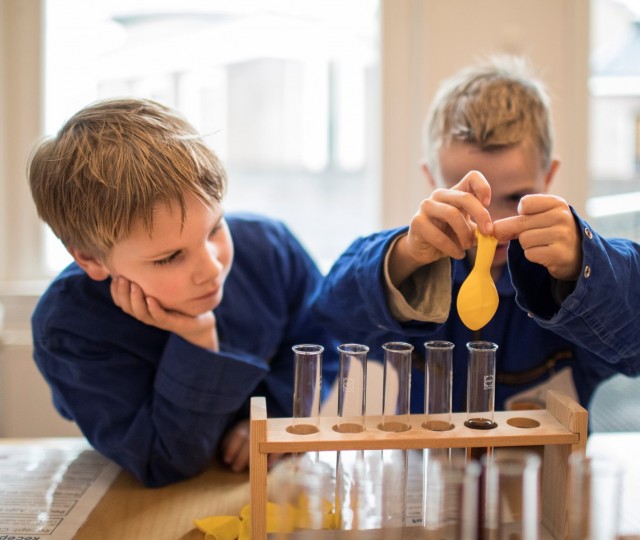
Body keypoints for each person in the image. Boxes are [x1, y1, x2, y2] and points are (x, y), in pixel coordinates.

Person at [28, 98, 338, 487]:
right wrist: (196, 340)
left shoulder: (270, 247)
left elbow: (319, 343)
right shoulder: (68, 327)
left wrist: (278, 414)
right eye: (170, 257)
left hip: (268, 481)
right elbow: (165, 461)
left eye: (215, 230)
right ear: (91, 259)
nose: (211, 268)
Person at [312, 56, 640, 417]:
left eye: (515, 197)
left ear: (548, 177)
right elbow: (331, 319)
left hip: (540, 474)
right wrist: (403, 255)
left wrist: (583, 265)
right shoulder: (411, 274)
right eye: (469, 197)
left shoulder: (571, 280)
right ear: (432, 181)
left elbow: (633, 347)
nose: (491, 223)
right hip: (429, 473)